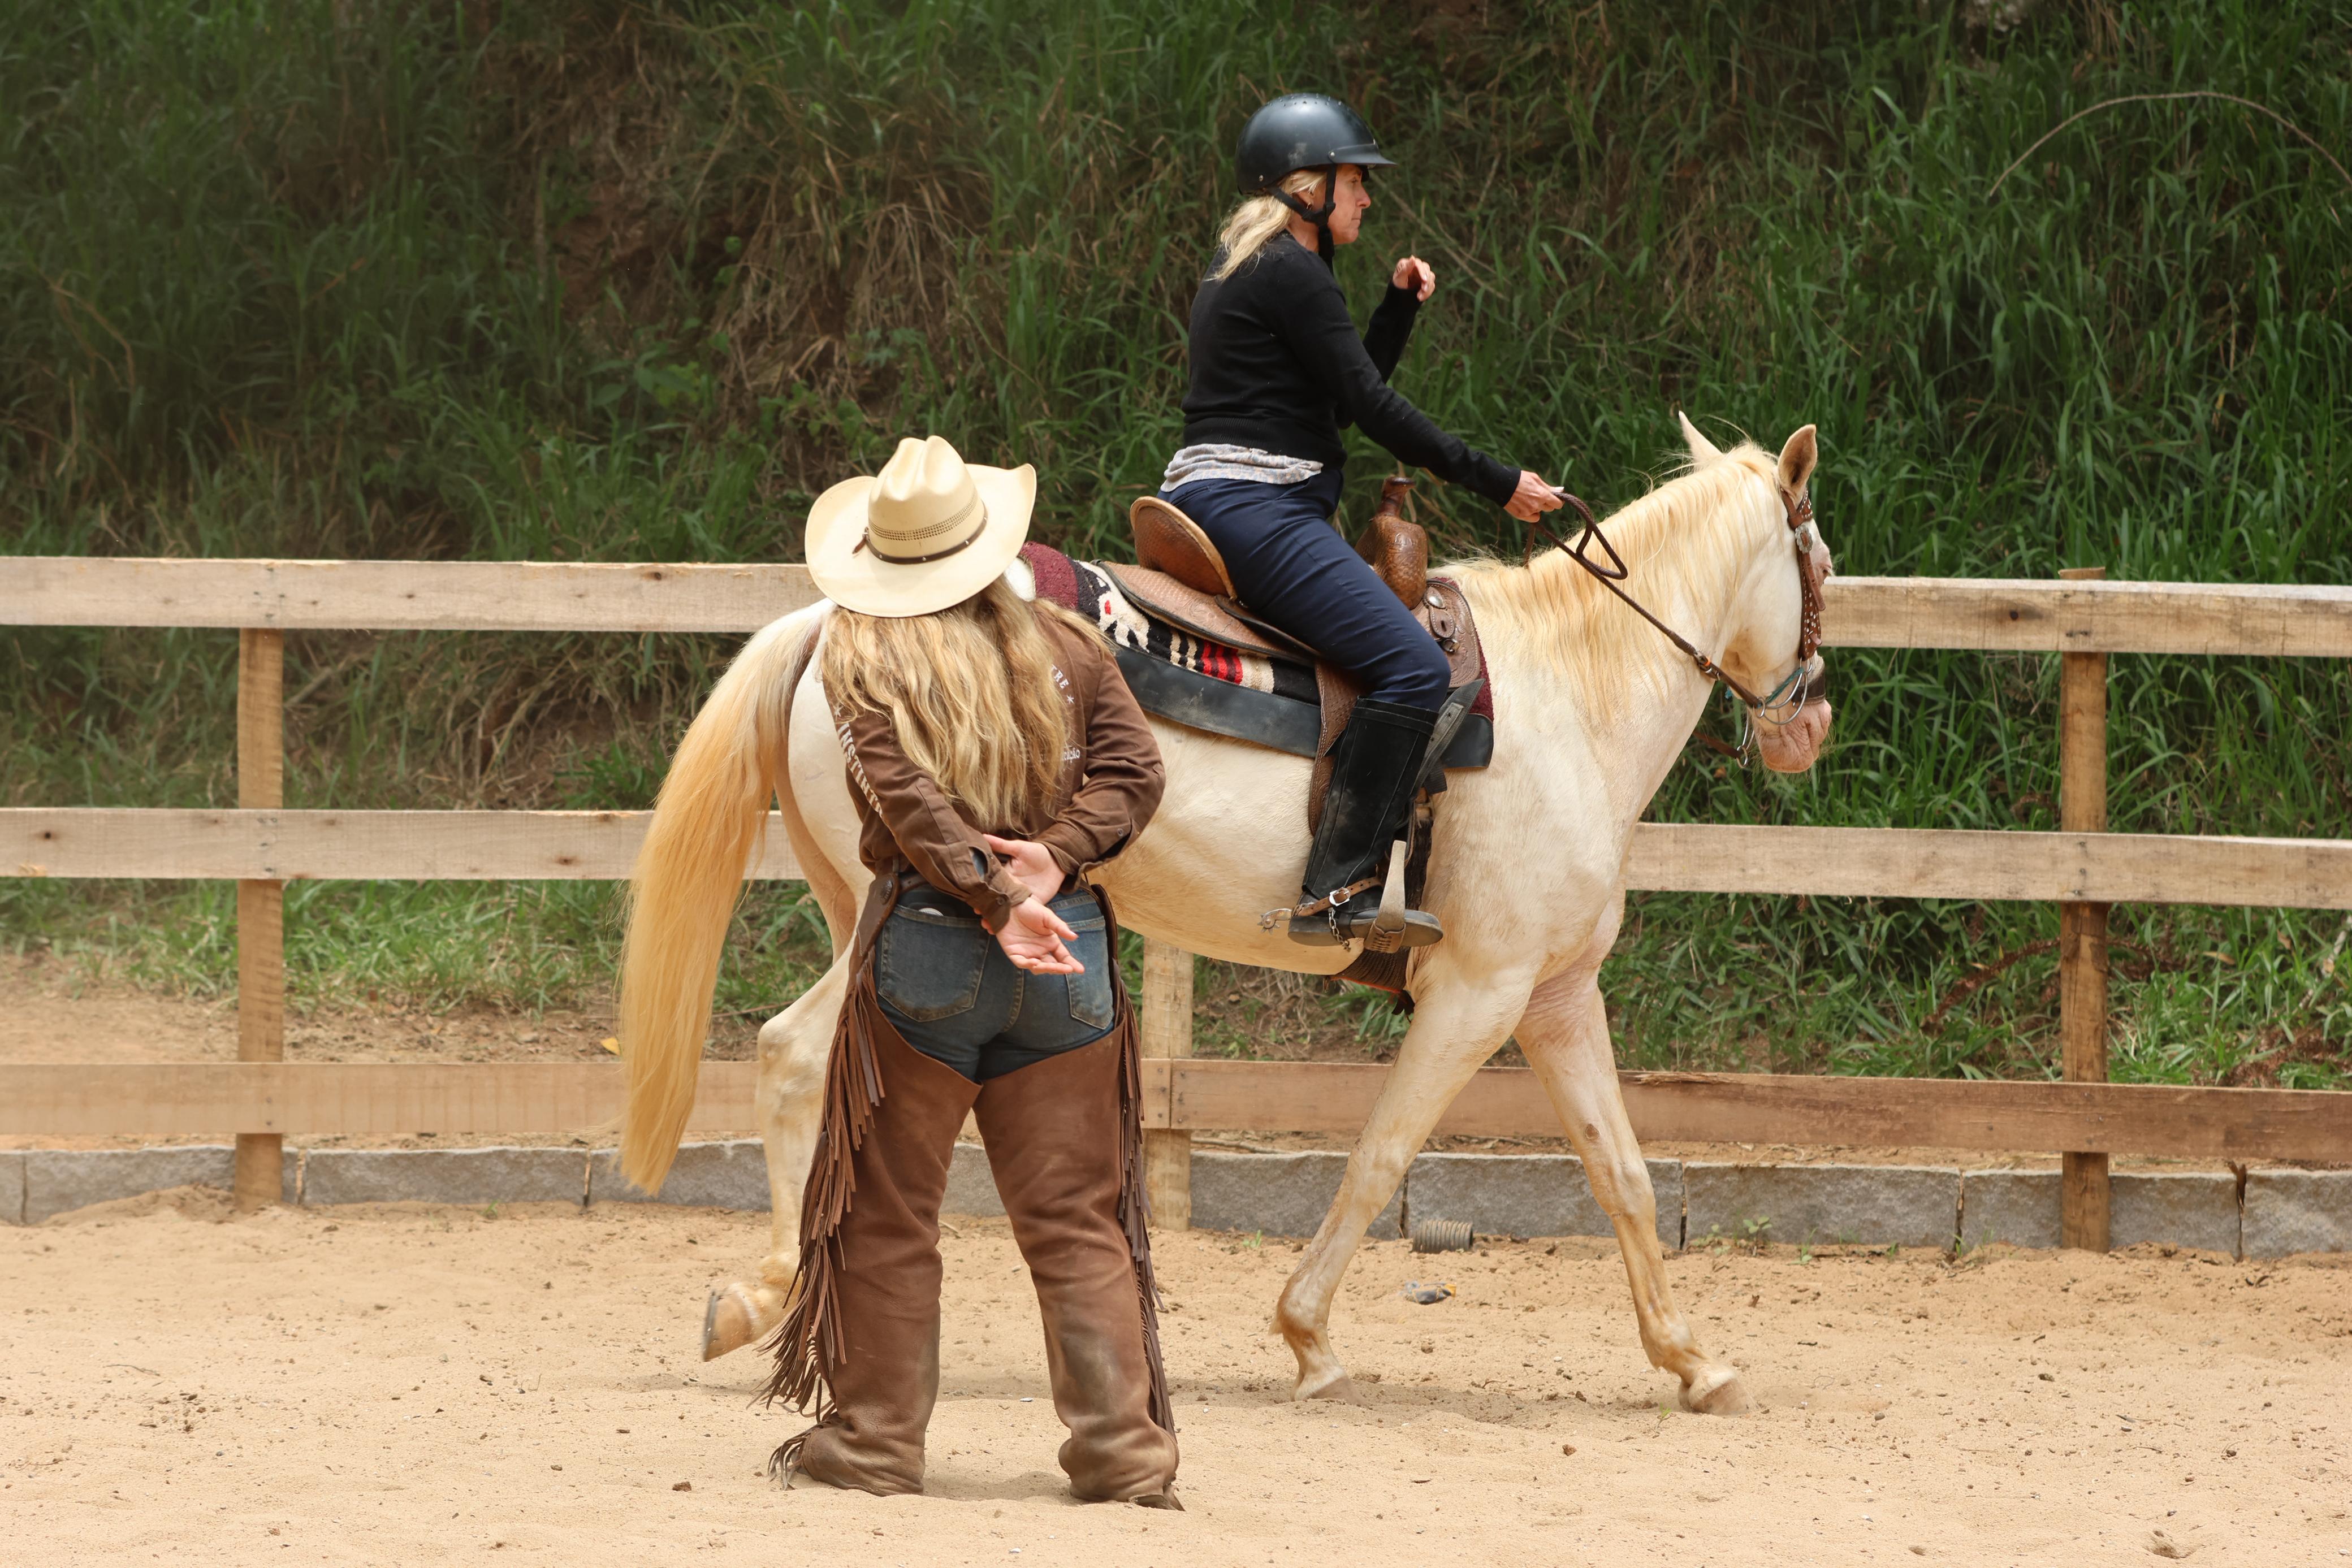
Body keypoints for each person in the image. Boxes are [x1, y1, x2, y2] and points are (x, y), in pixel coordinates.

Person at [768, 435, 1179, 1508]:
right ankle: (1124, 1454)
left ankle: (875, 1443)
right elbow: (1139, 771)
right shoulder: (1072, 647)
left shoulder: (864, 662)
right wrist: (1058, 860)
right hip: (1070, 953)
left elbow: (911, 810)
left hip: (929, 959)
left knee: (889, 1208)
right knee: (1080, 1215)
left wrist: (997, 900)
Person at [1158, 93, 1564, 948]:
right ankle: (1337, 886)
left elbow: (1337, 402)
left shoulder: (1263, 265)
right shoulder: (1292, 273)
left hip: (1223, 496)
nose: (1367, 199)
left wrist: (1394, 310)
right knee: (1417, 669)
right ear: (1307, 187)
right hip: (1256, 508)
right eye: (1355, 181)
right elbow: (1375, 412)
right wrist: (1499, 484)